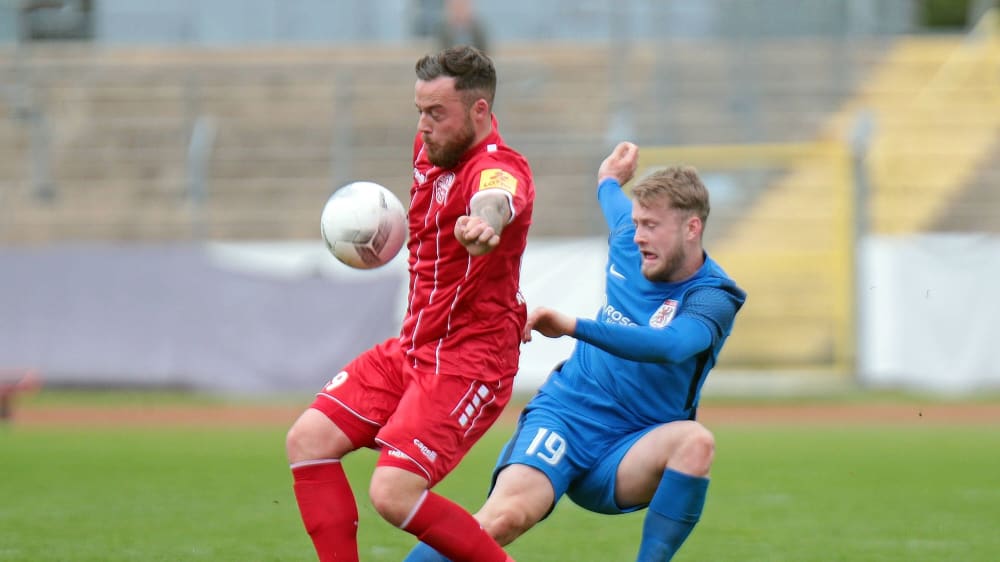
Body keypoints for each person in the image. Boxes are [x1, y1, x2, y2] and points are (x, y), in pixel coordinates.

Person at [404, 141, 746, 562]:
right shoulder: (630, 239)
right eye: (636, 222)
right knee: (502, 519)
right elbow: (613, 199)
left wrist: (573, 326)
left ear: (692, 229)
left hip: (633, 446)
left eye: (651, 225)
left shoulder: (713, 296)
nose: (638, 236)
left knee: (695, 443)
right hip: (569, 414)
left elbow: (672, 346)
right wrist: (608, 179)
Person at [285, 45, 534, 562]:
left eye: (436, 113)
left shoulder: (499, 169)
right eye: (419, 111)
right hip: (416, 346)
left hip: (469, 362)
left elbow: (499, 197)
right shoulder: (432, 149)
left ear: (480, 111)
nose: (424, 125)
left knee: (392, 494)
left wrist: (485, 222)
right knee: (308, 440)